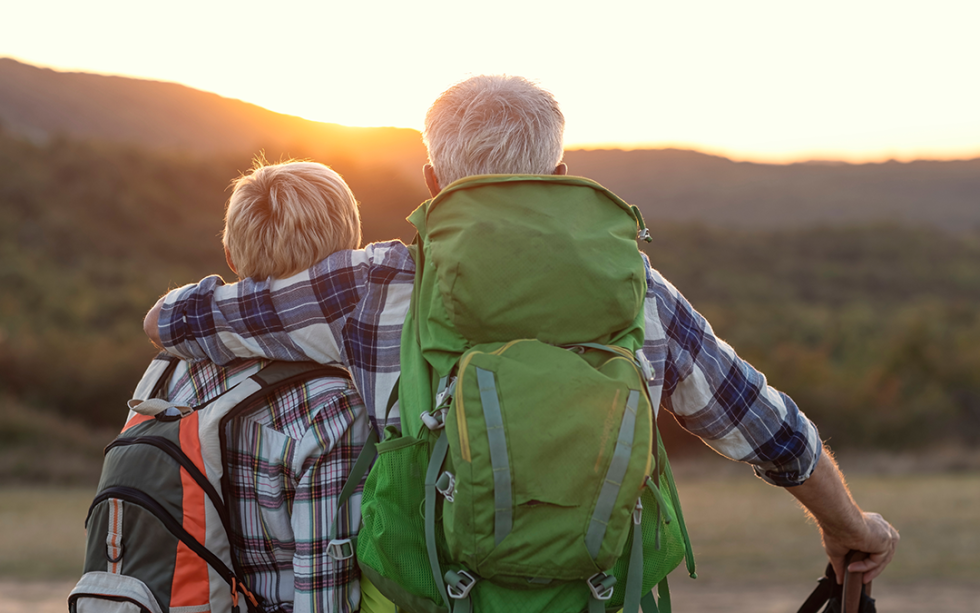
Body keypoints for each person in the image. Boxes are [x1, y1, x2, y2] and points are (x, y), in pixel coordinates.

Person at [145, 76, 898, 588]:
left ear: (433, 183)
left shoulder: (368, 285)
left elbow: (177, 322)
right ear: (563, 172)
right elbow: (771, 428)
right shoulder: (640, 293)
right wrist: (848, 524)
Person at [149, 159, 371, 613]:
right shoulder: (332, 408)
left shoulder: (167, 370)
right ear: (347, 257)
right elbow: (323, 594)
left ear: (231, 257)